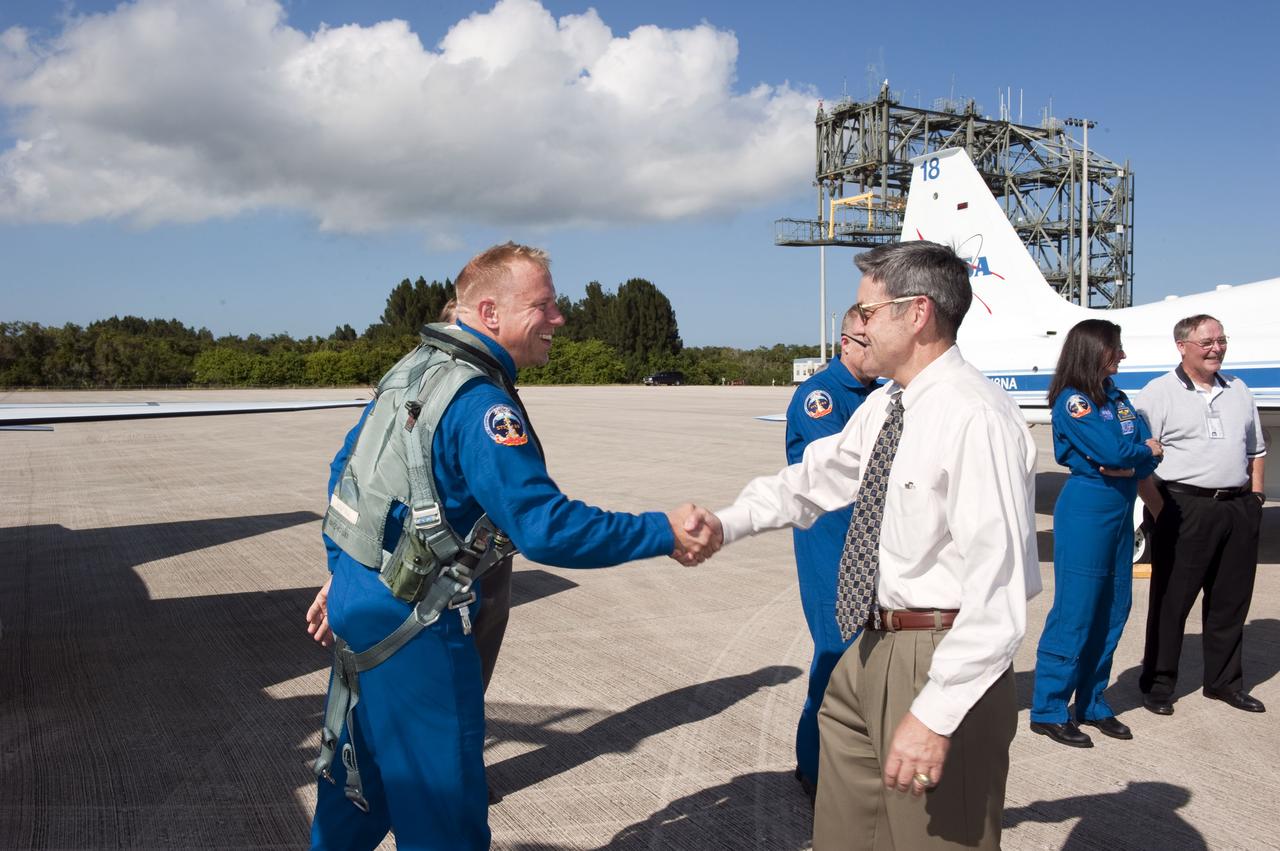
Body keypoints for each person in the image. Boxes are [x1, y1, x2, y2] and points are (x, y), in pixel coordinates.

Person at [303, 242, 717, 851]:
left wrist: (346, 571)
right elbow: (545, 527)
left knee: (356, 795)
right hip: (417, 632)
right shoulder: (479, 403)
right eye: (543, 305)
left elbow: (348, 479)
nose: (559, 318)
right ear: (490, 313)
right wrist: (663, 531)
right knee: (445, 823)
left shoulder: (410, 372)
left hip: (362, 608)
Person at [691, 240, 1040, 850]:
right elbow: (813, 479)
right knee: (845, 833)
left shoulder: (975, 416)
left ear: (918, 313)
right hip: (869, 644)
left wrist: (936, 714)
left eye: (868, 312)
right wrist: (725, 523)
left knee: (937, 839)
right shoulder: (887, 405)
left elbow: (1000, 588)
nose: (857, 326)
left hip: (939, 652)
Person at [1028, 319, 1162, 748]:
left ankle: (1091, 701)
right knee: (1077, 610)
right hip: (1087, 509)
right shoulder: (1074, 401)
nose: (1122, 355)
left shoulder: (1118, 399)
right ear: (1093, 351)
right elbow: (1114, 451)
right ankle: (1049, 708)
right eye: (1116, 348)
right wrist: (1136, 454)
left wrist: (1135, 457)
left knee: (1114, 607)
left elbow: (1144, 456)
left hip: (1121, 509)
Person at [1135, 314, 1268, 715]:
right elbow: (1140, 459)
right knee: (1171, 602)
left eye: (1221, 340)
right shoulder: (1158, 393)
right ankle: (1158, 685)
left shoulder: (1239, 389)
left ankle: (1224, 682)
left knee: (1230, 601)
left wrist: (1256, 498)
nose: (1217, 349)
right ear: (1182, 346)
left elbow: (1256, 450)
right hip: (1182, 506)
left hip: (1237, 507)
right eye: (1207, 342)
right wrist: (1161, 510)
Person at [784, 305, 878, 799]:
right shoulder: (819, 396)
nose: (875, 349)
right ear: (846, 342)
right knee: (835, 658)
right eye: (867, 341)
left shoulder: (879, 394)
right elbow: (847, 468)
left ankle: (848, 760)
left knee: (865, 662)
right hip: (831, 544)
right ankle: (815, 768)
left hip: (867, 544)